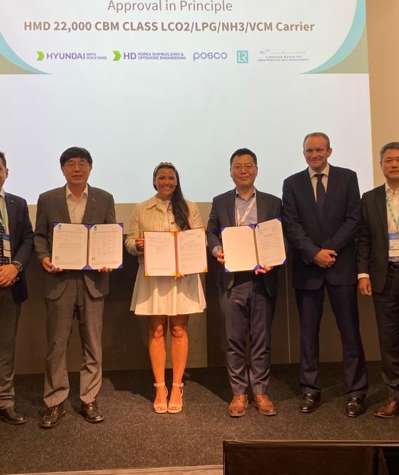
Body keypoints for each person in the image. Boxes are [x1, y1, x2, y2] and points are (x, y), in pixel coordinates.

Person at [282, 132, 368, 417]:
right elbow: (291, 225)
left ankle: (356, 392)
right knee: (308, 334)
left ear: (329, 151)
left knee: (350, 333)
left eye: (319, 150)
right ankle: (309, 389)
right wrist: (313, 253)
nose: (314, 155)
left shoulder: (348, 177)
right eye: (309, 150)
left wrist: (328, 250)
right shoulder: (292, 184)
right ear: (303, 153)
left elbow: (354, 218)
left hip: (341, 266)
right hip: (308, 269)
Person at [34, 147, 116, 428]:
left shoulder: (105, 198)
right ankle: (55, 402)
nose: (77, 168)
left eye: (82, 163)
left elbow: (109, 236)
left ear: (90, 168)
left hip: (93, 282)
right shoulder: (48, 198)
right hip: (59, 281)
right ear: (62, 169)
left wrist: (108, 259)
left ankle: (89, 398)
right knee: (56, 344)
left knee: (93, 344)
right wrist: (44, 257)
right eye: (71, 164)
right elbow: (40, 236)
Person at [125, 162, 206, 414]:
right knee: (157, 330)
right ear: (154, 181)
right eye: (162, 178)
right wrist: (137, 245)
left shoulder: (189, 207)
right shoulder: (141, 208)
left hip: (182, 277)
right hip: (154, 277)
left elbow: (199, 241)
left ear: (177, 181)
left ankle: (177, 385)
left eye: (171, 178)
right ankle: (160, 386)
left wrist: (188, 260)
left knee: (179, 330)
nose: (167, 182)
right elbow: (129, 241)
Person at [206, 148, 281, 417]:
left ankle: (260, 392)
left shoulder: (273, 202)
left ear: (257, 170)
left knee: (261, 340)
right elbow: (211, 232)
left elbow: (281, 236)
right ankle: (239, 392)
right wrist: (217, 251)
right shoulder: (220, 201)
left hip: (263, 280)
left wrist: (274, 258)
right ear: (230, 171)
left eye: (248, 166)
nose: (243, 170)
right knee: (233, 339)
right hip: (232, 280)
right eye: (238, 166)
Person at [358, 141, 399, 418]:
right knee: (389, 342)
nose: (394, 164)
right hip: (384, 278)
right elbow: (364, 238)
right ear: (380, 166)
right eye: (388, 160)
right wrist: (363, 273)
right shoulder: (370, 198)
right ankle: (397, 396)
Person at [0, 152, 33, 425]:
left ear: (6, 172)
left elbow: (27, 239)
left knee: (5, 348)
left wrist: (16, 266)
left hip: (10, 284)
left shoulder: (18, 203)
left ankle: (5, 401)